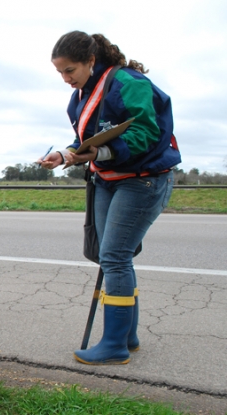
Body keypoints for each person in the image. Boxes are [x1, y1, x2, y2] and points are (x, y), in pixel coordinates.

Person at [40, 31, 181, 365]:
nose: (65, 79)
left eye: (70, 70)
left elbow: (146, 132)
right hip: (106, 180)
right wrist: (64, 155)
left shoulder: (129, 83)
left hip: (143, 181)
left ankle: (115, 344)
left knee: (115, 256)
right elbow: (85, 140)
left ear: (90, 61)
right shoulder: (78, 98)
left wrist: (100, 151)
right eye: (59, 72)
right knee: (111, 258)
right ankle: (127, 336)